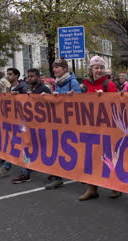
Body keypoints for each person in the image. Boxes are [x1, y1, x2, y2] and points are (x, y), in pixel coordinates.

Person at [79, 56, 121, 200]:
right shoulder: (85, 85)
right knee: (90, 157)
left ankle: (115, 186)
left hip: (107, 126)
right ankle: (92, 189)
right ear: (91, 70)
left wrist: (105, 98)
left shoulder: (109, 84)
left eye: (101, 68)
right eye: (96, 68)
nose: (99, 70)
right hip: (90, 126)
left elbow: (117, 103)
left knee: (109, 157)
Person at [44, 58, 82, 190]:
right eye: (54, 67)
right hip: (58, 121)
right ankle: (57, 177)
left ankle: (82, 174)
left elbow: (80, 101)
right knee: (56, 148)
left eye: (57, 67)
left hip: (70, 122)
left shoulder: (73, 82)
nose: (54, 69)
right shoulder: (57, 83)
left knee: (74, 149)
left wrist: (68, 96)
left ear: (65, 69)